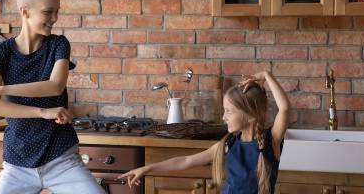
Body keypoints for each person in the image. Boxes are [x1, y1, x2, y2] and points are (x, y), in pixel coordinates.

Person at [0, 0, 105, 194]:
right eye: (48, 12)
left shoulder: (59, 44)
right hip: (17, 162)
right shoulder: (1, 52)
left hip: (61, 158)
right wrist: (43, 112)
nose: (54, 19)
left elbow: (54, 86)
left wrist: (1, 90)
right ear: (25, 12)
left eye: (57, 12)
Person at [119, 71, 291, 194]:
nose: (224, 117)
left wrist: (267, 76)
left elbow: (284, 108)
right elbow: (186, 161)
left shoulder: (271, 142)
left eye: (229, 111)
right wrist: (147, 168)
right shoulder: (229, 144)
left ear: (250, 115)